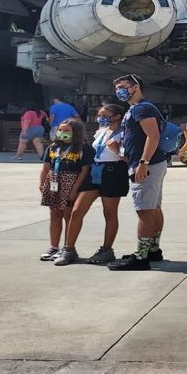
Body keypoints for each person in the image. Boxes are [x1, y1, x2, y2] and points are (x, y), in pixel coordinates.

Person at [108, 74, 169, 271]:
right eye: (117, 87)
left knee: (144, 210)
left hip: (146, 165)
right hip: (149, 163)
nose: (120, 90)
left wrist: (143, 162)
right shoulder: (135, 109)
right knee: (154, 206)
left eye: (124, 86)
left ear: (136, 87)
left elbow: (153, 135)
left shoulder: (142, 108)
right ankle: (153, 249)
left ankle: (141, 255)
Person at [70, 104, 131, 265]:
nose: (100, 117)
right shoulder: (102, 131)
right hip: (95, 170)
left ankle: (106, 249)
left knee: (109, 213)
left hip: (113, 171)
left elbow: (130, 157)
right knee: (77, 210)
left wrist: (117, 150)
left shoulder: (124, 132)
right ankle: (69, 248)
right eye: (99, 114)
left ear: (117, 116)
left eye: (105, 114)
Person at [38, 118, 92, 265]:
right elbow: (46, 167)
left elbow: (84, 171)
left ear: (76, 132)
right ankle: (53, 247)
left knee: (68, 215)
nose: (62, 133)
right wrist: (42, 183)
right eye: (60, 130)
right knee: (54, 214)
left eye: (66, 130)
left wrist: (74, 189)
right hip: (54, 181)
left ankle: (67, 247)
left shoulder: (83, 148)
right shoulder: (53, 147)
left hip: (70, 182)